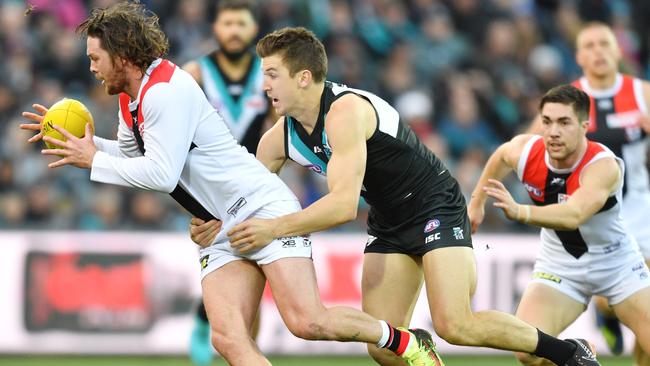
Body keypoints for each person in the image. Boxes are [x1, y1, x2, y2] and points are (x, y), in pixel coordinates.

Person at [19, 3, 444, 366]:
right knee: (226, 338)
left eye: (96, 58)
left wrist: (93, 160)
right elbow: (134, 160)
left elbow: (161, 174)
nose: (91, 68)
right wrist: (89, 148)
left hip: (261, 206)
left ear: (122, 55)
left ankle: (407, 341)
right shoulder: (132, 98)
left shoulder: (165, 90)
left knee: (307, 322)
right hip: (219, 225)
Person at [190, 27, 601, 366]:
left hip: (434, 205)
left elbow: (342, 205)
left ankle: (567, 353)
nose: (264, 86)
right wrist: (210, 219)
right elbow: (242, 199)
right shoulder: (278, 139)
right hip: (388, 219)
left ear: (302, 77)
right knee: (383, 347)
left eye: (272, 74)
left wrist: (273, 229)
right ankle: (421, 349)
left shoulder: (345, 112)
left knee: (455, 325)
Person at [469, 84, 650, 365]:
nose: (553, 131)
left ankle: (604, 315)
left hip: (617, 265)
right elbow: (502, 156)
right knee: (526, 352)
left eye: (564, 122)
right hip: (560, 267)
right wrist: (476, 203)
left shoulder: (602, 166)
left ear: (584, 126)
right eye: (547, 121)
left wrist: (521, 212)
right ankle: (577, 349)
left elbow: (574, 214)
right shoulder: (526, 150)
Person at [530, 22, 650, 361]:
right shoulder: (567, 102)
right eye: (590, 45)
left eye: (604, 44)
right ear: (579, 56)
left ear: (618, 51)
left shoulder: (642, 93)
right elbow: (530, 148)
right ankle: (606, 311)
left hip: (639, 212)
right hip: (588, 218)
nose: (598, 51)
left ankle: (612, 315)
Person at [181, 1, 268, 364]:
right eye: (227, 23)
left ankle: (245, 351)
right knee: (221, 271)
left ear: (253, 29)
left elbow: (281, 128)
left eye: (241, 23)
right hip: (210, 195)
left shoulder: (268, 73)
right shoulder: (195, 74)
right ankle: (206, 323)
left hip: (256, 189)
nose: (233, 30)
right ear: (216, 28)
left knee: (257, 276)